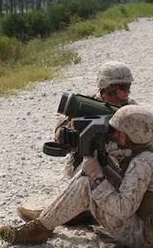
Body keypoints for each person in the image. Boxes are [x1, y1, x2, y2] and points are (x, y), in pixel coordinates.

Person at [0, 105, 153, 248]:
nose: (115, 136)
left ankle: (39, 229)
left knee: (87, 184)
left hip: (150, 237)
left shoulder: (143, 163)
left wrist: (98, 178)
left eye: (119, 132)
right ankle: (48, 217)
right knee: (98, 168)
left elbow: (123, 209)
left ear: (132, 135)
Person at [17, 60, 137, 224]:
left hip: (119, 169)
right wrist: (69, 134)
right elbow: (60, 130)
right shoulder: (86, 105)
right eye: (121, 88)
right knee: (85, 171)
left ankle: (56, 215)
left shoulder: (132, 109)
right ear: (106, 87)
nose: (126, 93)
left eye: (127, 87)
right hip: (89, 163)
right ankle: (67, 211)